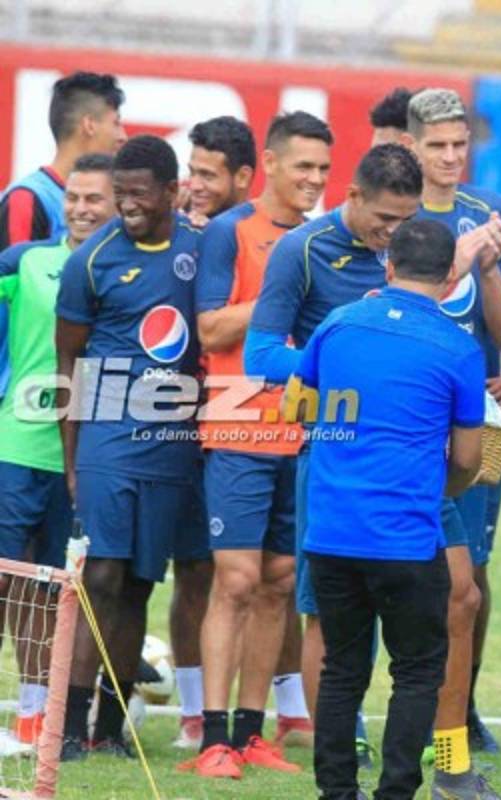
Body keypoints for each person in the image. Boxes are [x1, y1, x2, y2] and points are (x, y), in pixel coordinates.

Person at [244, 143, 501, 799]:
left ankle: (424, 767)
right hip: (373, 477)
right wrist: (350, 384)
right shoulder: (305, 256)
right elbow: (261, 357)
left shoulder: (353, 317)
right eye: (385, 217)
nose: (391, 230)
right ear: (354, 197)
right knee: (364, 645)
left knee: (454, 602)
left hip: (385, 484)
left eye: (405, 219)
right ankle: (372, 772)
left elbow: (301, 399)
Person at [297, 218, 484, 800]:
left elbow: (301, 408)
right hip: (406, 537)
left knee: (342, 671)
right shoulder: (458, 347)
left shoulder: (337, 324)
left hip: (331, 532)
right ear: (453, 277)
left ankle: (336, 794)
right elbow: (471, 457)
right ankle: (396, 792)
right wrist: (441, 486)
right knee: (418, 671)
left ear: (388, 266)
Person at [178, 111, 333, 780]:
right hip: (238, 423)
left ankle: (251, 735)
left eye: (325, 170)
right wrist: (281, 291)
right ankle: (212, 737)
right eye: (304, 166)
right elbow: (209, 329)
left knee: (278, 582)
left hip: (303, 429)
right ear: (268, 163)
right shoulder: (228, 232)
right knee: (235, 580)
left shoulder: (326, 242)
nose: (315, 180)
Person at [406, 86, 501, 758]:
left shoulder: (495, 213)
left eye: (460, 145)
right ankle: (373, 714)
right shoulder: (398, 215)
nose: (450, 157)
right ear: (410, 145)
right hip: (402, 420)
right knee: (395, 572)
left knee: (473, 577)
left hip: (472, 424)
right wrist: (460, 261)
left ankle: (459, 712)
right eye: (436, 145)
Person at [55, 135, 203, 760]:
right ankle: (66, 728)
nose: (127, 206)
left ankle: (111, 729)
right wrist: (71, 460)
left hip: (174, 442)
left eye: (139, 194)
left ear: (171, 192)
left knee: (141, 583)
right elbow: (69, 363)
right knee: (102, 576)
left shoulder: (202, 250)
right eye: (121, 195)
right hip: (109, 436)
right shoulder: (91, 261)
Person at [0, 153, 115, 750]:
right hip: (17, 444)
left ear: (119, 204)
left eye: (94, 199)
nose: (80, 208)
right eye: (73, 197)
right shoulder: (26, 260)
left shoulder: (123, 272)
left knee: (50, 592)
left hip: (83, 457)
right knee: (2, 580)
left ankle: (32, 715)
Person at [165, 113, 260, 753]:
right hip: (175, 421)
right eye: (191, 170)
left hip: (244, 421)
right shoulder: (176, 233)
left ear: (243, 178)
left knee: (253, 575)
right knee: (190, 571)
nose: (195, 184)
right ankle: (194, 710)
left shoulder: (256, 239)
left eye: (208, 173)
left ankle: (275, 712)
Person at [0, 72, 125, 403]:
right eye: (116, 123)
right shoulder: (29, 198)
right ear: (89, 125)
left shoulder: (115, 207)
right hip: (22, 396)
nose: (122, 135)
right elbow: (20, 301)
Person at [183, 116, 256, 224]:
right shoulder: (175, 225)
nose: (194, 186)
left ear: (242, 177)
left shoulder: (270, 238)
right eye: (192, 173)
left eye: (207, 175)